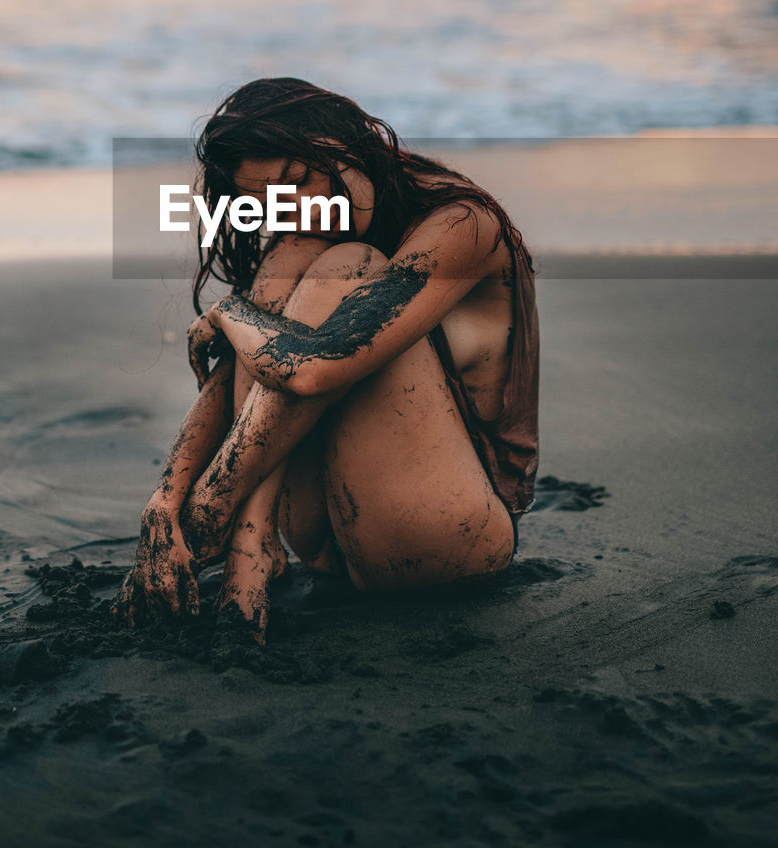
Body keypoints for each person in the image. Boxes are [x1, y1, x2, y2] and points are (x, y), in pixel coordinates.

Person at [113, 78, 540, 642]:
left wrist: (227, 315)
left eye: (298, 182)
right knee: (292, 266)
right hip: (330, 544)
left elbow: (316, 368)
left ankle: (232, 526)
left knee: (348, 267)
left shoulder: (462, 225)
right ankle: (252, 538)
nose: (298, 212)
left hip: (447, 537)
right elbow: (256, 369)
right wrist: (165, 497)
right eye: (266, 205)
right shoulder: (303, 235)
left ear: (348, 144)